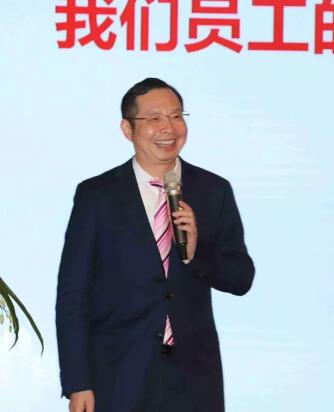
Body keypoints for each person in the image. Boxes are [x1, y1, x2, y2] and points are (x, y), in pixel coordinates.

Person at [55, 78, 255, 412]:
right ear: (127, 129)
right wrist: (78, 382)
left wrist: (197, 252)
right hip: (118, 375)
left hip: (194, 379)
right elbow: (73, 296)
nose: (168, 127)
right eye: (154, 118)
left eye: (176, 116)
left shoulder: (213, 190)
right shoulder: (97, 195)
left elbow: (241, 277)